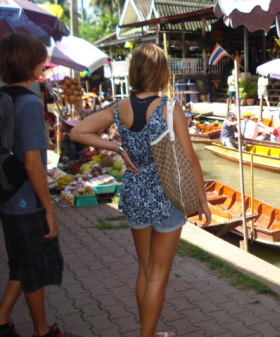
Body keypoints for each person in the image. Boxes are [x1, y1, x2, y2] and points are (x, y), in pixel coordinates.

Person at [71, 43, 211, 337]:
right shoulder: (169, 107)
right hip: (167, 194)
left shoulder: (119, 106)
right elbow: (190, 159)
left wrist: (118, 147)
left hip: (134, 192)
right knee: (158, 276)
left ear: (135, 71)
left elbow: (78, 131)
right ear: (161, 72)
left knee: (145, 271)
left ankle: (149, 331)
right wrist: (203, 200)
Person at [0, 33, 79, 337]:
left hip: (6, 194)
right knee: (33, 267)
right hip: (25, 199)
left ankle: (3, 319)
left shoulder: (4, 97)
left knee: (21, 261)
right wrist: (49, 209)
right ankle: (42, 331)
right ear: (31, 64)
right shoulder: (30, 104)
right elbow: (34, 165)